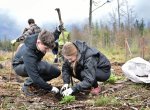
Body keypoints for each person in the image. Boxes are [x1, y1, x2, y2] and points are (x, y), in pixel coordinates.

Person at [12, 29, 61, 96]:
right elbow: (35, 76)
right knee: (41, 67)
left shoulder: (42, 38)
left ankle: (36, 84)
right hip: (19, 66)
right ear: (38, 42)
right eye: (46, 48)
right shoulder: (29, 53)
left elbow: (52, 37)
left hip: (37, 62)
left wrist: (58, 31)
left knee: (56, 72)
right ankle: (27, 85)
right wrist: (50, 88)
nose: (47, 51)